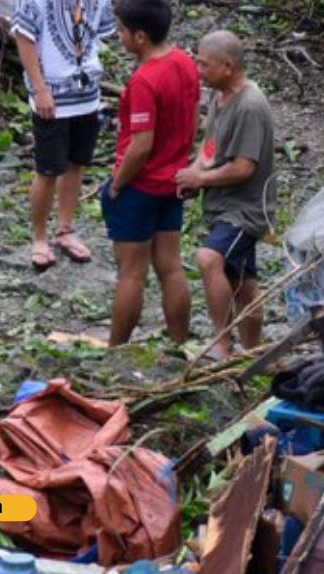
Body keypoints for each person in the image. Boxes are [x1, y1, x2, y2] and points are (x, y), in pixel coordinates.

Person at [101, 0, 199, 346]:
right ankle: (179, 343)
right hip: (173, 182)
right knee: (171, 267)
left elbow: (141, 145)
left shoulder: (145, 80)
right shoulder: (186, 64)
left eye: (122, 30)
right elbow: (194, 118)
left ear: (140, 36)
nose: (118, 35)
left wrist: (117, 184)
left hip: (140, 186)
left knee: (132, 273)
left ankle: (116, 348)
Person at [175, 31, 275, 361]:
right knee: (244, 285)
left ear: (228, 66)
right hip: (223, 205)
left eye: (204, 64)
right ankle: (254, 353)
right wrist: (193, 173)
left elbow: (244, 167)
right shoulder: (220, 98)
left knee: (209, 259)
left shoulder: (249, 106)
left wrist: (201, 178)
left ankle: (222, 343)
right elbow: (211, 148)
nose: (200, 71)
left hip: (245, 210)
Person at [11, 0, 116, 270]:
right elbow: (24, 37)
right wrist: (39, 88)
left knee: (76, 163)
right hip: (52, 96)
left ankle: (65, 229)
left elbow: (98, 34)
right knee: (48, 169)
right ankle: (39, 237)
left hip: (87, 94)